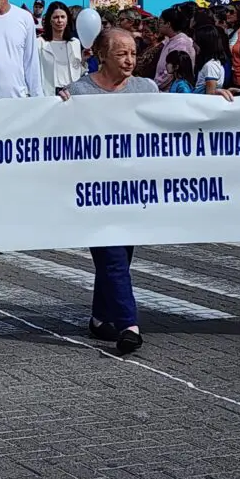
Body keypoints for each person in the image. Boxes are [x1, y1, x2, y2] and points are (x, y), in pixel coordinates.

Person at [58, 28, 160, 356]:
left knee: (121, 257)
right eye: (121, 54)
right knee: (112, 256)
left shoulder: (147, 88)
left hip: (133, 190)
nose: (130, 60)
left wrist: (217, 104)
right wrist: (57, 107)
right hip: (94, 192)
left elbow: (175, 117)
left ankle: (101, 317)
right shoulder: (80, 91)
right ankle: (128, 325)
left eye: (133, 53)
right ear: (103, 56)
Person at [36, 1, 84, 96]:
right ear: (50, 20)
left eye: (63, 17)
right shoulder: (40, 42)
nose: (59, 21)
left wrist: (84, 60)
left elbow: (77, 69)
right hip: (50, 94)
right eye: (55, 17)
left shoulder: (75, 42)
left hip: (73, 93)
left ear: (67, 19)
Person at [154, 5, 194, 90]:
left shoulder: (181, 43)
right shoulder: (170, 40)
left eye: (160, 22)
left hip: (173, 91)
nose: (158, 26)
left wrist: (156, 84)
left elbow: (170, 72)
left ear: (168, 24)